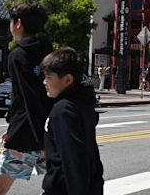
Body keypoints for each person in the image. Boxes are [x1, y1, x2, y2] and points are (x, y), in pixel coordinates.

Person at [0, 1, 53, 195]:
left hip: (27, 134)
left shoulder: (18, 55)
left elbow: (27, 99)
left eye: (11, 21)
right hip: (50, 129)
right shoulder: (49, 50)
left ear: (18, 24)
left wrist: (39, 141)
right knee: (59, 186)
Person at [40, 47, 104, 195]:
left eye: (49, 77)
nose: (44, 82)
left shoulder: (63, 111)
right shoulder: (81, 103)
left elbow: (73, 161)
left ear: (68, 79)